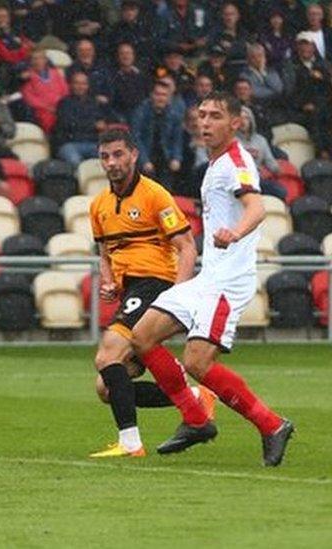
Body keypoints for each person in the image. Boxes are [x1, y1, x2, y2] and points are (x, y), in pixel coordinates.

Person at [129, 91, 294, 466]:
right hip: (207, 278)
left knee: (198, 364)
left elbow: (258, 207)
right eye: (201, 114)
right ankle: (196, 419)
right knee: (141, 337)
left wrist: (235, 233)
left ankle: (272, 425)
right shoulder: (214, 162)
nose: (205, 122)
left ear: (236, 123)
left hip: (226, 282)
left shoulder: (237, 162)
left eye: (215, 116)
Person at [86, 128, 209, 457]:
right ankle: (195, 398)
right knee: (107, 387)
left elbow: (186, 248)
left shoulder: (155, 195)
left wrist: (178, 296)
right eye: (105, 156)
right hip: (131, 291)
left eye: (118, 154)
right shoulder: (98, 205)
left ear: (133, 155)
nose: (111, 162)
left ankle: (130, 444)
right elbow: (104, 254)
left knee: (106, 355)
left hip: (156, 284)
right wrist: (109, 280)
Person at [131, 80, 184, 191]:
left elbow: (177, 139)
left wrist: (176, 158)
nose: (160, 98)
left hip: (165, 156)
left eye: (164, 95)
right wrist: (144, 160)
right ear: (151, 95)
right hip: (146, 155)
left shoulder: (174, 114)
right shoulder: (141, 112)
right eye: (157, 94)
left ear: (169, 97)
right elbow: (136, 138)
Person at [53, 72, 106, 165]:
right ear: (71, 85)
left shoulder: (93, 102)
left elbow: (101, 122)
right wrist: (93, 125)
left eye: (83, 84)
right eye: (77, 83)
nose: (80, 86)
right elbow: (68, 124)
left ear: (87, 86)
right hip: (70, 143)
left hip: (92, 143)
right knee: (75, 161)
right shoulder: (64, 103)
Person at [20, 49, 69, 133]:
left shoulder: (55, 73)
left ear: (46, 60)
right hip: (43, 110)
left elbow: (65, 90)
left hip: (61, 107)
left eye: (40, 58)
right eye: (34, 59)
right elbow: (29, 97)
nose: (37, 61)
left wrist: (60, 106)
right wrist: (48, 107)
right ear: (30, 61)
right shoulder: (28, 77)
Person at [110, 42, 152, 122]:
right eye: (122, 53)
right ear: (118, 57)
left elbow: (148, 96)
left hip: (142, 115)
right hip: (121, 117)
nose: (125, 56)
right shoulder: (112, 77)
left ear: (133, 56)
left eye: (128, 53)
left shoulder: (142, 75)